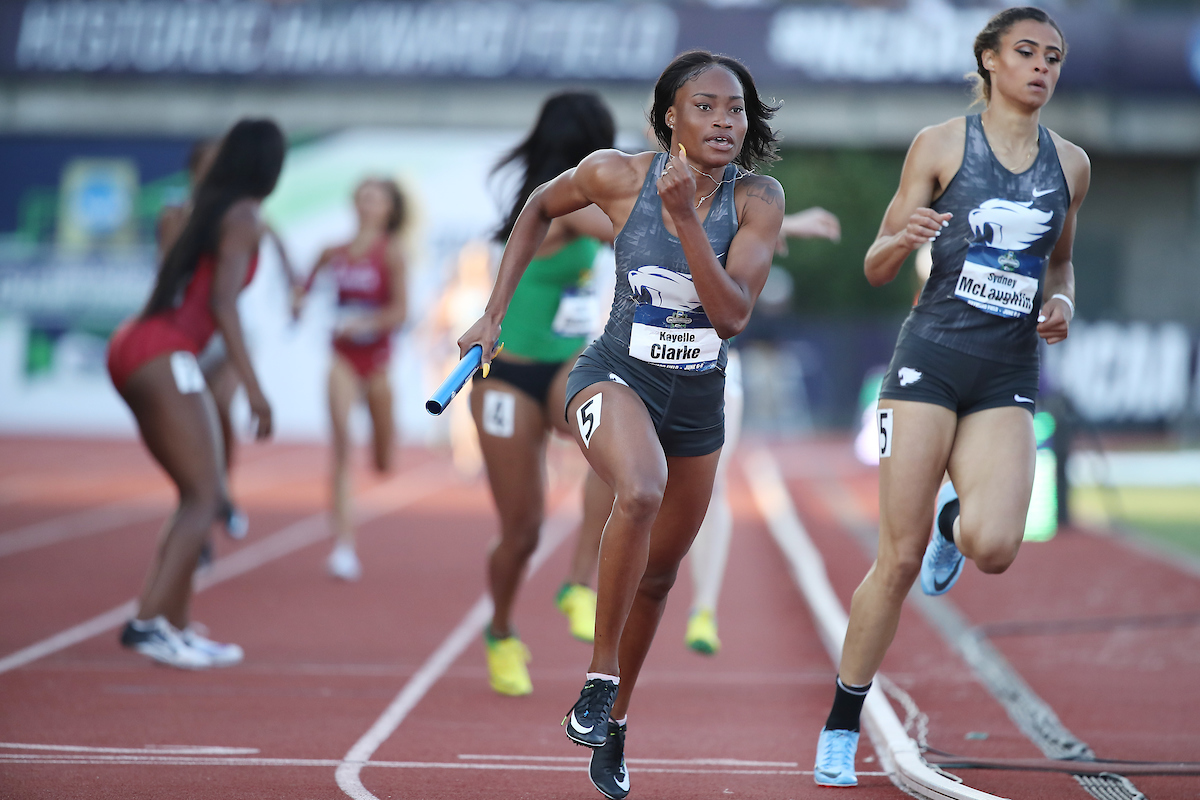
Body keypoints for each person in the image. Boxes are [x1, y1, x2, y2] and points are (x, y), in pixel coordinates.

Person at [459, 50, 785, 800]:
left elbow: (731, 315)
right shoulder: (615, 175)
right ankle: (598, 678)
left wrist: (685, 221)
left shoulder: (760, 199)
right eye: (705, 106)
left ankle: (618, 721)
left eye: (735, 109)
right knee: (638, 489)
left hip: (697, 400)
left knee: (661, 577)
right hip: (613, 375)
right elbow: (538, 205)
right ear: (669, 114)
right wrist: (492, 314)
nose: (724, 122)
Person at [812, 7, 1089, 787]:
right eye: (1027, 52)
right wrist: (903, 240)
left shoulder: (1071, 165)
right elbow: (874, 264)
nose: (1042, 67)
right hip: (928, 363)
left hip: (1005, 372)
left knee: (996, 546)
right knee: (895, 561)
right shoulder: (939, 145)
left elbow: (1061, 265)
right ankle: (841, 722)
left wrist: (1062, 304)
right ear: (991, 60)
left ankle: (952, 522)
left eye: (1054, 57)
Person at [107, 118, 286, 669]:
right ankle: (151, 623)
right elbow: (223, 304)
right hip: (166, 352)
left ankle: (173, 624)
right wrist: (255, 389)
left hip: (140, 343)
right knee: (205, 494)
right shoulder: (244, 214)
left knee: (197, 493)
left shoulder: (205, 208)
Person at [468, 91, 618, 696]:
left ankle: (578, 581)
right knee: (521, 530)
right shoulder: (569, 205)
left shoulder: (571, 199)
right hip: (506, 376)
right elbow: (647, 232)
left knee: (616, 434)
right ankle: (501, 631)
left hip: (563, 365)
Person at [683, 205, 842, 655]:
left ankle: (704, 608)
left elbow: (733, 218)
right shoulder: (641, 185)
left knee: (712, 486)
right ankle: (605, 587)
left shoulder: (728, 191)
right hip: (645, 366)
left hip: (714, 362)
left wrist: (782, 225)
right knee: (641, 488)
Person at [157, 139, 298, 560]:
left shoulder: (246, 213)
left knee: (220, 405)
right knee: (191, 426)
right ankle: (202, 507)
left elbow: (280, 245)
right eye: (207, 166)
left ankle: (221, 489)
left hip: (233, 331)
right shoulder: (177, 214)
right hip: (191, 333)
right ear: (193, 172)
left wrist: (295, 287)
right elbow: (169, 269)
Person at [293, 178, 408, 581]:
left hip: (377, 362)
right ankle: (344, 546)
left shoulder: (391, 253)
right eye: (361, 197)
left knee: (382, 460)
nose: (365, 204)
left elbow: (400, 311)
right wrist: (298, 301)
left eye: (374, 198)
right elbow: (303, 289)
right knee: (341, 444)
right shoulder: (332, 251)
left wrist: (365, 322)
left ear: (388, 210)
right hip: (341, 357)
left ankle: (382, 450)